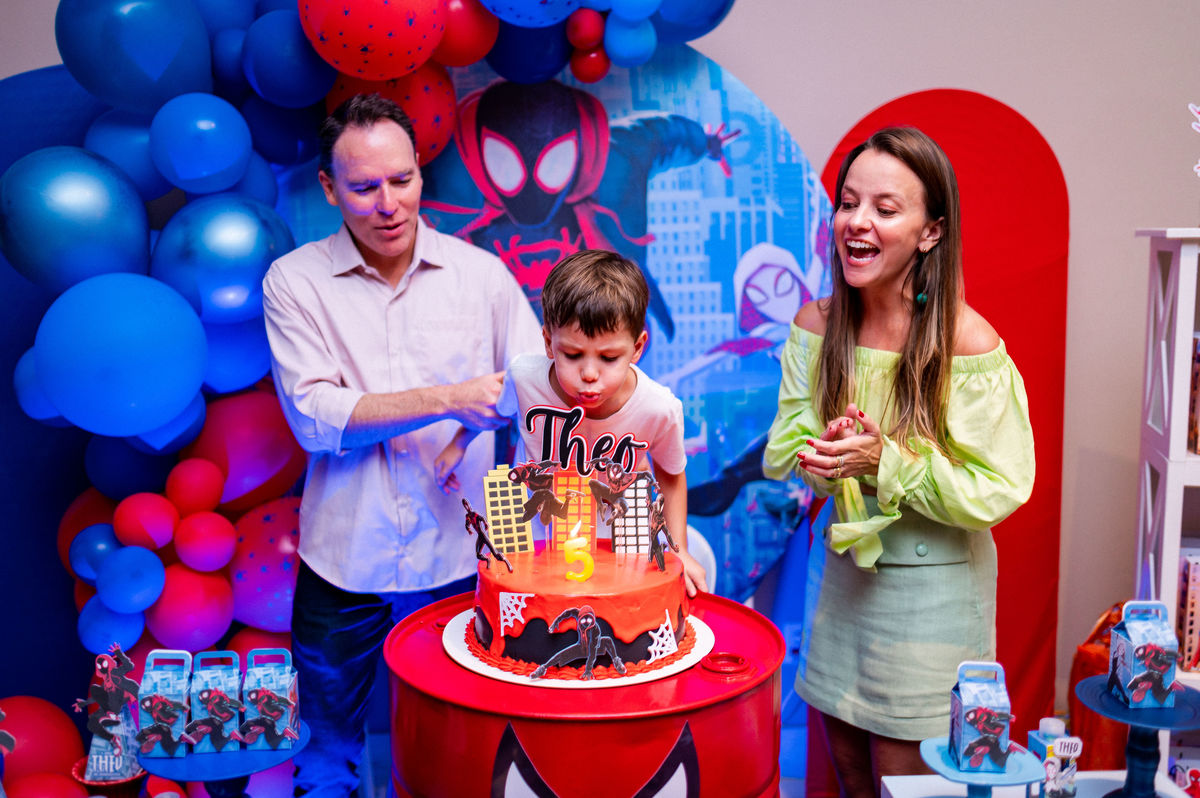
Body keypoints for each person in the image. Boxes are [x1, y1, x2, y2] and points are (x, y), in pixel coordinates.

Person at [262, 93, 542, 796]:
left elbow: (534, 385)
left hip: (461, 554)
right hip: (343, 557)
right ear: (329, 188)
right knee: (324, 757)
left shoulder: (481, 276)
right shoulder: (294, 283)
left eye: (402, 179)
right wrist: (448, 398)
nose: (389, 205)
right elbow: (315, 418)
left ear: (419, 169)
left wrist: (478, 419)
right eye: (364, 188)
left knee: (466, 749)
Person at [762, 126, 1035, 795]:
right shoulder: (815, 326)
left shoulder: (967, 342)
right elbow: (787, 447)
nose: (856, 221)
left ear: (931, 232)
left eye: (885, 209)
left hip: (931, 605)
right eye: (848, 203)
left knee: (905, 783)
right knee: (853, 777)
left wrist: (888, 461)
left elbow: (998, 488)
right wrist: (824, 457)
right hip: (841, 588)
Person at [435, 249, 708, 596]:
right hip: (535, 539)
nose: (589, 374)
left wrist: (679, 548)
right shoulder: (525, 378)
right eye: (573, 354)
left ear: (637, 348)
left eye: (609, 357)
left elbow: (671, 473)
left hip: (616, 542)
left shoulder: (659, 408)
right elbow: (494, 409)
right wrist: (457, 443)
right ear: (549, 342)